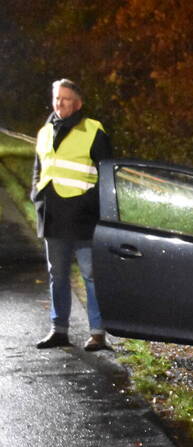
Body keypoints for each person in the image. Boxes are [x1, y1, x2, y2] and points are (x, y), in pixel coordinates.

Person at [32, 78, 113, 351]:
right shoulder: (45, 131)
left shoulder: (93, 130)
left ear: (78, 103)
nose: (59, 103)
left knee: (91, 275)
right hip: (52, 215)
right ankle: (59, 330)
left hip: (83, 217)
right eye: (57, 98)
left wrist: (89, 204)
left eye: (65, 99)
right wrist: (36, 195)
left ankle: (98, 333)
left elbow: (106, 175)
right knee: (57, 275)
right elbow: (39, 168)